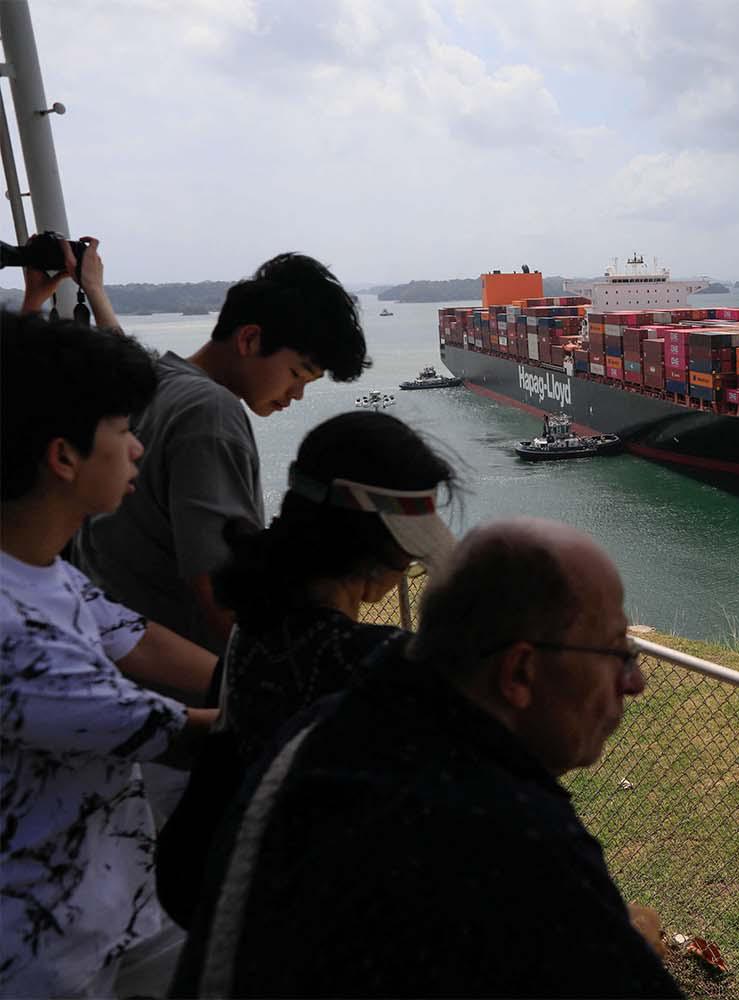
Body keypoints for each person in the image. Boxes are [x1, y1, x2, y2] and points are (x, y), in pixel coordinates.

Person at [173, 519, 682, 998]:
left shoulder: (325, 731)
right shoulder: (510, 831)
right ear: (520, 672)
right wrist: (633, 941)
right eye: (616, 652)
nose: (634, 682)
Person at [154, 411, 459, 925]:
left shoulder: (254, 629)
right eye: (408, 554)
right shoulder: (374, 662)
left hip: (236, 909)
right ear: (377, 549)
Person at [0, 312, 218, 998]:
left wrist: (254, 673)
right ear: (63, 457)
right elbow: (189, 731)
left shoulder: (40, 567)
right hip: (39, 955)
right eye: (123, 431)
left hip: (114, 910)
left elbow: (137, 637)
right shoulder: (13, 633)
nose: (139, 451)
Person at [77, 252, 370, 660]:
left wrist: (94, 290)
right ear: (249, 339)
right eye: (297, 374)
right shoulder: (211, 412)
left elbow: (115, 342)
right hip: (190, 686)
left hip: (115, 654)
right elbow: (222, 594)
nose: (297, 395)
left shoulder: (154, 382)